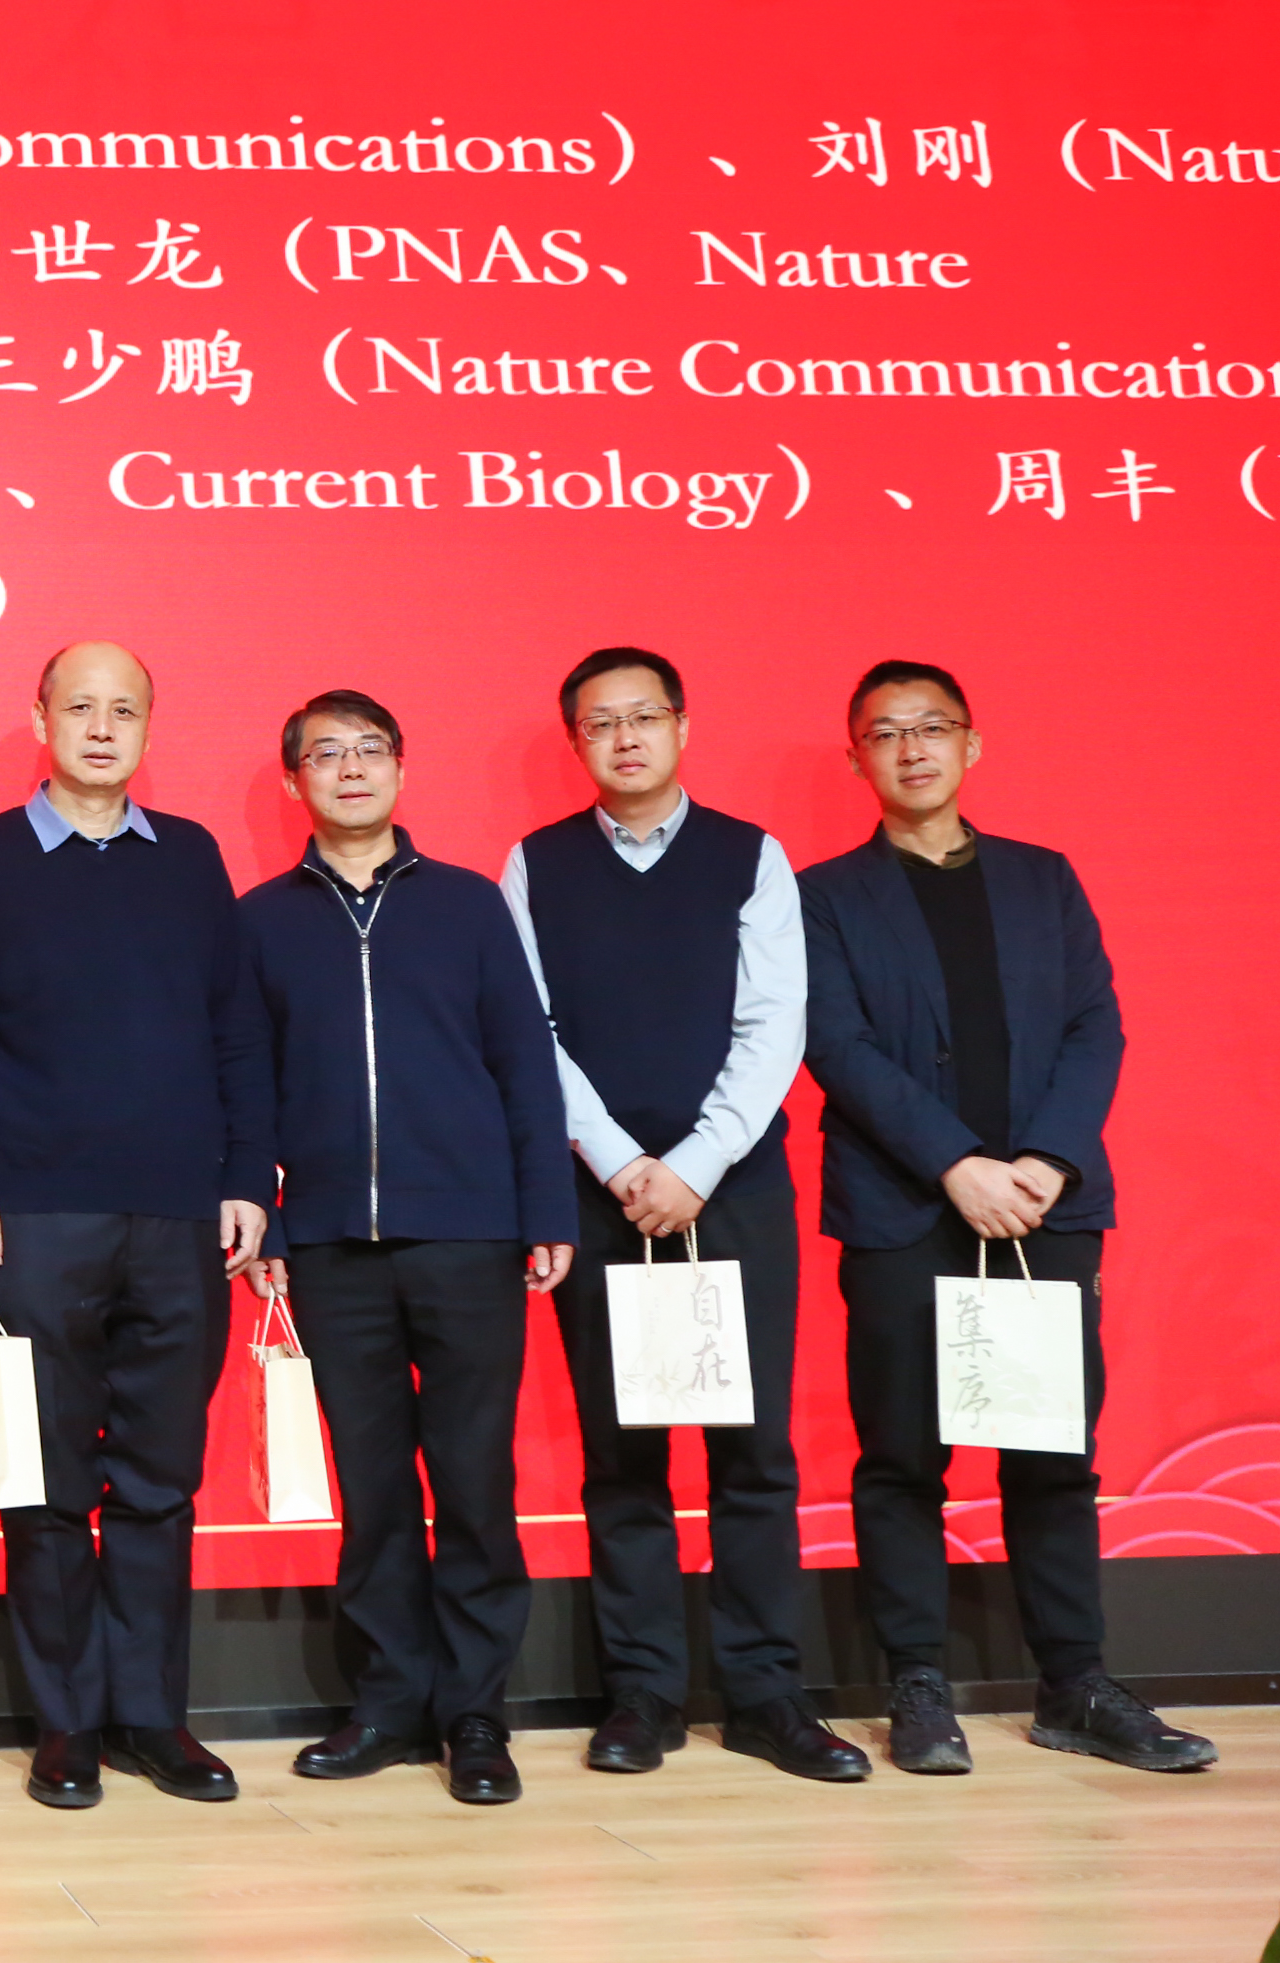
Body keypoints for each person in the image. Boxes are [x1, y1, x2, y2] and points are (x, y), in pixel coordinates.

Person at [800, 661, 1213, 1774]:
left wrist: (1044, 1162)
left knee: (1052, 1454)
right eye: (885, 732)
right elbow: (836, 1045)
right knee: (902, 1456)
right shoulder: (822, 894)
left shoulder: (1044, 878)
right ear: (856, 759)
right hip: (903, 1208)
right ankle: (917, 1685)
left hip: (1044, 1205)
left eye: (932, 726)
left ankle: (1075, 1684)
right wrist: (954, 1163)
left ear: (971, 744)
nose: (912, 748)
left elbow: (1095, 1025)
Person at [500, 647, 863, 1786]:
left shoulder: (751, 855)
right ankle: (643, 1693)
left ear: (681, 726)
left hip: (733, 1188)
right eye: (599, 722)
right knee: (624, 1455)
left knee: (753, 1450)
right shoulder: (536, 863)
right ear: (577, 741)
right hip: (602, 1191)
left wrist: (696, 1164)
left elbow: (774, 1024)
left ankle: (765, 1693)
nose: (624, 737)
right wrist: (620, 1162)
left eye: (643, 716)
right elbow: (529, 1031)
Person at [0, 641, 268, 1813]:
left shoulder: (192, 857)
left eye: (125, 709)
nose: (102, 727)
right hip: (34, 1214)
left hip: (179, 1214)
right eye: (81, 706)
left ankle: (152, 1715)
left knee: (160, 1480)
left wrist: (246, 1175)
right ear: (41, 719)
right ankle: (65, 1720)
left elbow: (235, 1027)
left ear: (148, 728)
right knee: (49, 1480)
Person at [237, 689, 571, 1808]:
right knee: (373, 1484)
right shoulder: (261, 920)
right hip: (332, 1242)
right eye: (324, 754)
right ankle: (386, 1699)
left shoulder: (470, 905)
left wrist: (546, 1209)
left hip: (470, 1234)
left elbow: (524, 1062)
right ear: (295, 780)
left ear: (399, 767)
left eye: (369, 749)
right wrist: (270, 1216)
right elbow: (248, 1085)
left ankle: (475, 1712)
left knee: (474, 1479)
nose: (349, 768)